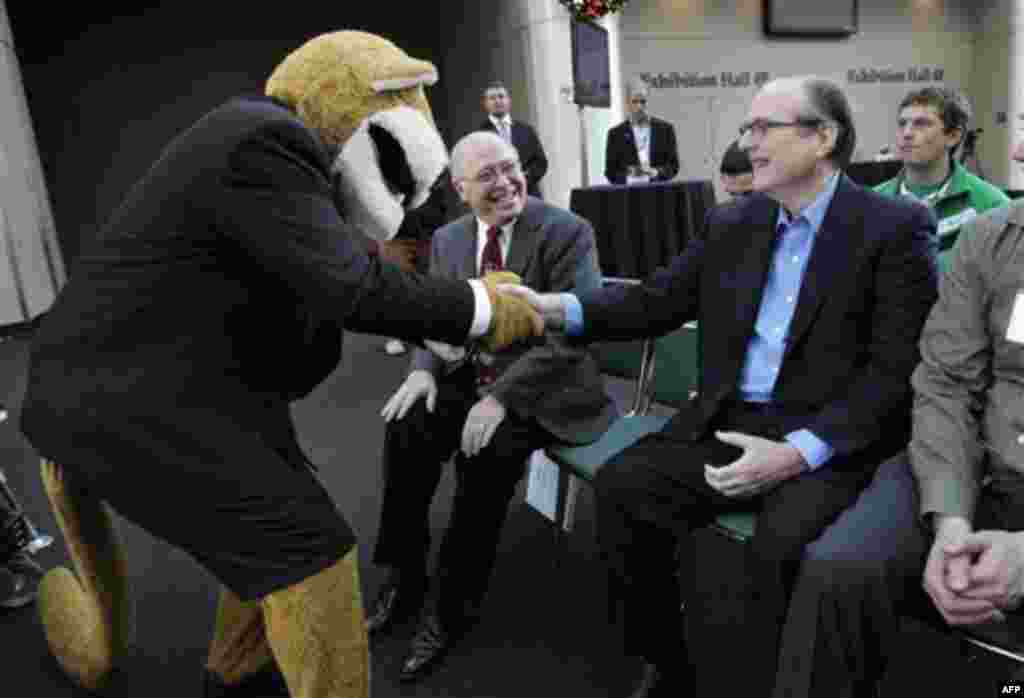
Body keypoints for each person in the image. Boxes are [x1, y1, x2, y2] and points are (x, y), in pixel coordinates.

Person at [16, 31, 541, 698]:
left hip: (151, 391)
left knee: (286, 520)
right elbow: (351, 292)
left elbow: (300, 355)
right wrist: (481, 308)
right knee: (308, 553)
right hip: (129, 399)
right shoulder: (265, 136)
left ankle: (236, 673)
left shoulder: (276, 179)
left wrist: (405, 294)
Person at [502, 75, 939, 698]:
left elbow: (893, 376)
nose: (750, 143)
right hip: (727, 422)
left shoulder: (895, 228)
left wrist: (795, 455)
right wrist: (552, 308)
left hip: (824, 442)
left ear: (824, 138)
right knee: (623, 493)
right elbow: (653, 304)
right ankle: (665, 665)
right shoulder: (733, 222)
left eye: (766, 128)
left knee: (781, 556)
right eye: (748, 128)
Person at [772, 118, 1024, 698]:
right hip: (969, 462)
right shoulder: (990, 238)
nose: (1014, 150)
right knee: (840, 569)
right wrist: (951, 519)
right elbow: (945, 383)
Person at [364, 130, 615, 682]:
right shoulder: (450, 240)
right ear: (459, 188)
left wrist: (500, 399)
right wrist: (425, 372)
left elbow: (575, 335)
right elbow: (433, 318)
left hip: (550, 389)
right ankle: (404, 577)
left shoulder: (567, 231)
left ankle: (450, 607)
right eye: (487, 176)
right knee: (406, 428)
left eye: (510, 168)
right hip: (472, 376)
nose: (505, 183)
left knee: (485, 456)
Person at [874, 87, 1009, 253]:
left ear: (953, 136)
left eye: (921, 124)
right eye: (902, 124)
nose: (907, 133)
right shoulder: (871, 203)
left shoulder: (992, 206)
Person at [477, 82, 548, 199]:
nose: (497, 101)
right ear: (485, 103)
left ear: (508, 100)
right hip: (498, 198)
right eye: (492, 98)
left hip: (529, 195)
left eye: (501, 96)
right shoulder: (480, 135)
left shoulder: (526, 130)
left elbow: (541, 162)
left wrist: (522, 179)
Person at [604, 78, 679, 185]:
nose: (639, 106)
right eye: (634, 101)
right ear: (627, 103)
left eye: (643, 101)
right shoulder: (615, 134)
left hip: (659, 191)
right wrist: (630, 177)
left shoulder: (665, 130)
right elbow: (610, 172)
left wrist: (657, 172)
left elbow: (673, 166)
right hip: (628, 194)